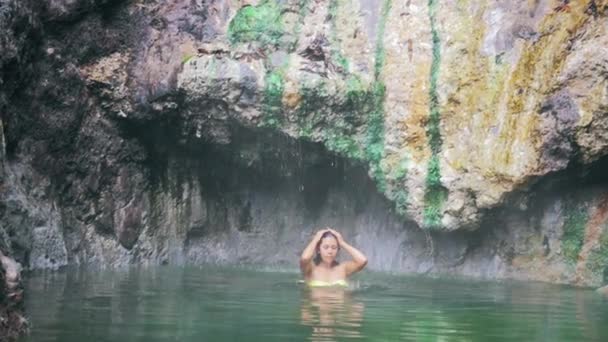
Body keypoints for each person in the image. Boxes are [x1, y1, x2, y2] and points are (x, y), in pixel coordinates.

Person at [300, 228, 367, 287]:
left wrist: (342, 243)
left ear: (338, 249)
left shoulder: (343, 268)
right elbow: (305, 258)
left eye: (334, 247)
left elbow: (362, 260)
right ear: (318, 249)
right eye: (326, 247)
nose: (330, 251)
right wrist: (315, 240)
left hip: (341, 301)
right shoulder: (311, 268)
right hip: (317, 301)